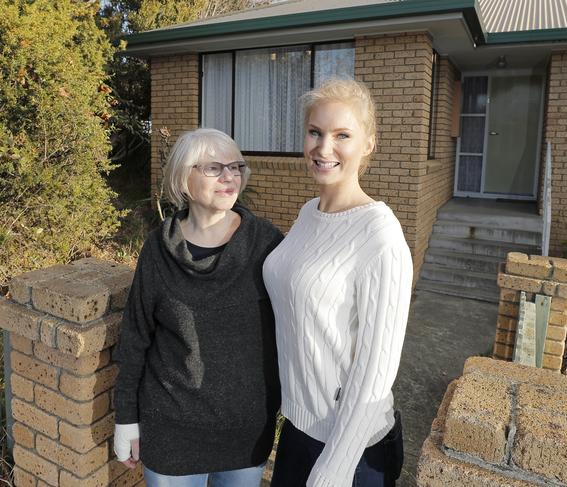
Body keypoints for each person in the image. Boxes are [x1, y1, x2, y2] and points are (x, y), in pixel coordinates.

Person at [113, 128, 283, 487]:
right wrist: (126, 417)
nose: (230, 176)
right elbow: (135, 336)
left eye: (236, 167)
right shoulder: (158, 249)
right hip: (171, 429)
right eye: (214, 168)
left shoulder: (266, 244)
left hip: (245, 430)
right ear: (184, 179)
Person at [264, 79, 413, 487]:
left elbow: (376, 367)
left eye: (342, 135)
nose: (323, 148)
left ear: (368, 144)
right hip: (299, 428)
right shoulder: (308, 212)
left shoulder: (379, 234)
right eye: (315, 132)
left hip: (353, 450)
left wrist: (336, 465)